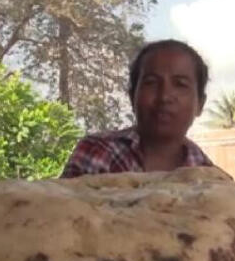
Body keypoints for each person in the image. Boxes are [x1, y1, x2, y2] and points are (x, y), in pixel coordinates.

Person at [61, 39, 214, 177]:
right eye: (151, 82)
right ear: (132, 96)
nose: (164, 97)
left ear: (200, 104)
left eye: (180, 84)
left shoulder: (212, 181)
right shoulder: (96, 152)